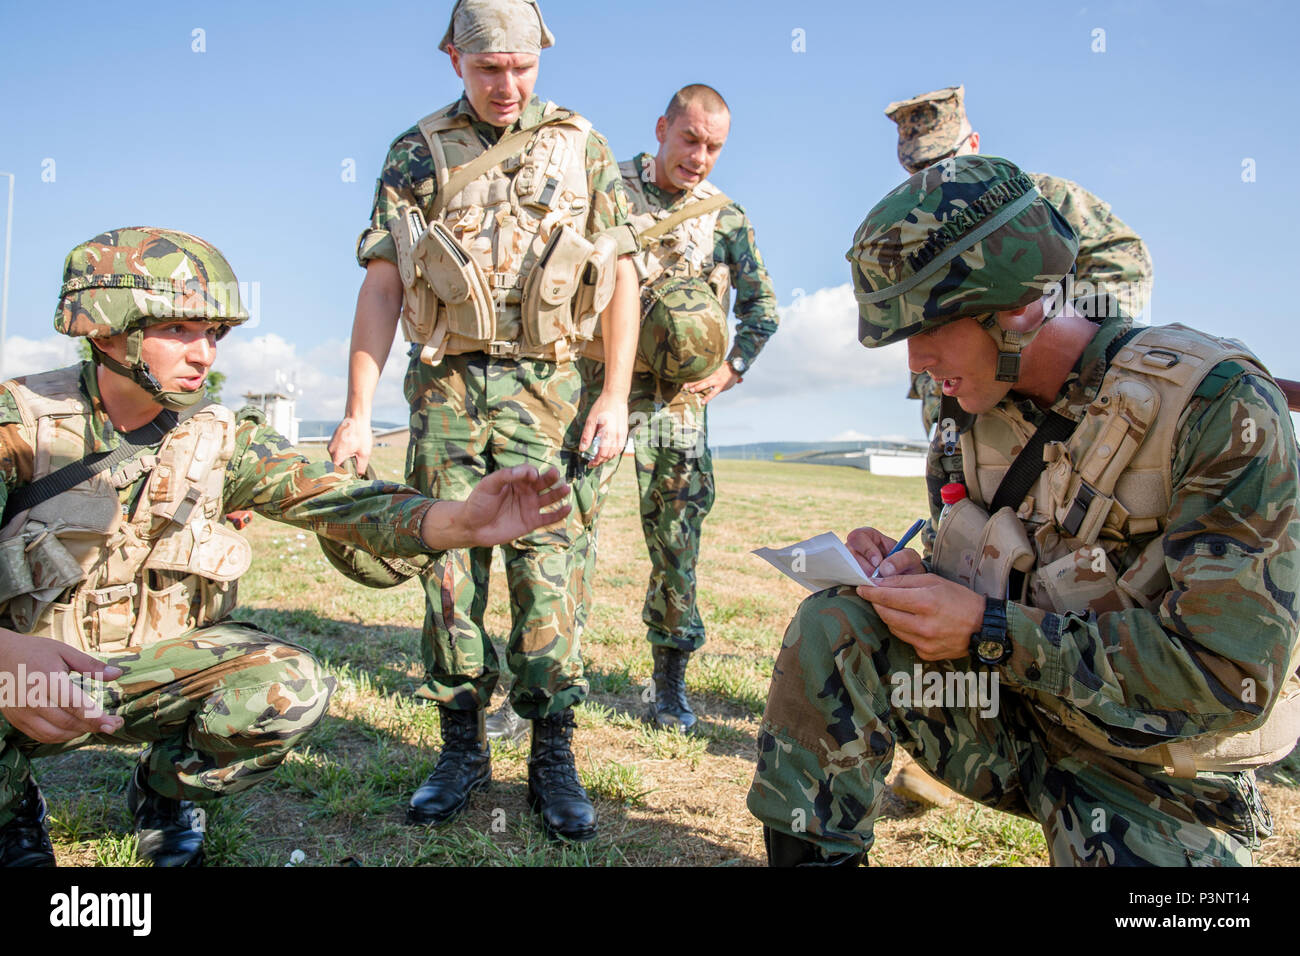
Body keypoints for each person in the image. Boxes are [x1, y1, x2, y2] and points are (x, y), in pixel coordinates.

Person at [746, 156, 1300, 866]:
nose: (915, 361)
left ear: (1014, 307)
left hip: (1152, 769)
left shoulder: (1215, 407)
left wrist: (989, 630)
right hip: (1013, 719)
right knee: (837, 624)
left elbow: (1231, 675)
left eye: (928, 328)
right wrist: (915, 580)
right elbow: (989, 582)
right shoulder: (963, 424)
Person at [0, 227, 573, 867]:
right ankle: (10, 808)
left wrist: (459, 521)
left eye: (213, 334)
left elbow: (341, 501)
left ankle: (164, 793)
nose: (204, 355)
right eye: (181, 331)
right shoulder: (18, 425)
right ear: (109, 332)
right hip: (20, 673)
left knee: (287, 685)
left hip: (145, 673)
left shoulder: (218, 436)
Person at [327, 0, 637, 842]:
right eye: (488, 68)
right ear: (453, 61)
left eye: (522, 67)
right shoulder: (415, 151)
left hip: (551, 389)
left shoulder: (583, 146)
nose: (507, 84)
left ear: (542, 55)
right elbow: (385, 285)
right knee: (449, 569)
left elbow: (621, 277)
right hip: (448, 390)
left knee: (551, 567)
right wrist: (356, 412)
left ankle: (552, 752)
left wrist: (613, 395)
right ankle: (460, 745)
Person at [486, 84, 780, 741]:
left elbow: (763, 307)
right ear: (661, 129)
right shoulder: (604, 188)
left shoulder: (725, 216)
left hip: (677, 403)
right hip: (598, 388)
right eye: (690, 140)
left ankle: (669, 684)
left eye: (714, 147)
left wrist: (732, 369)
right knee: (562, 525)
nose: (700, 157)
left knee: (677, 540)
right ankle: (540, 680)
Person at [885, 85, 1153, 433]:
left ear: (974, 145)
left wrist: (1050, 324)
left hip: (1068, 374)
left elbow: (1125, 262)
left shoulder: (1033, 198)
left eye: (944, 161)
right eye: (919, 167)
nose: (934, 176)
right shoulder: (915, 232)